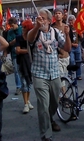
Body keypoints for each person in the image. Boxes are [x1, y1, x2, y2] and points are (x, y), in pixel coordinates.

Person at [27, 8, 71, 141]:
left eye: (43, 18)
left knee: (54, 103)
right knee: (43, 106)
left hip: (54, 74)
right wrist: (36, 27)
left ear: (50, 20)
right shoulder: (34, 33)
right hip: (39, 75)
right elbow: (29, 39)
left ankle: (50, 118)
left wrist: (68, 35)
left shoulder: (56, 33)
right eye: (39, 18)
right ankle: (46, 135)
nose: (41, 21)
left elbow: (67, 48)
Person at [15, 19, 34, 114]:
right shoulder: (19, 38)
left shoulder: (32, 38)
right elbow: (17, 50)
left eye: (25, 27)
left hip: (30, 63)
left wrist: (24, 50)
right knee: (24, 83)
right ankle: (25, 103)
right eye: (23, 27)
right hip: (21, 63)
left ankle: (28, 100)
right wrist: (28, 50)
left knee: (29, 83)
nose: (23, 29)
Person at [52, 8, 71, 82]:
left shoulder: (67, 27)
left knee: (65, 77)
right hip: (58, 58)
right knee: (60, 78)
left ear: (62, 15)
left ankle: (62, 92)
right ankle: (64, 94)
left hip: (66, 57)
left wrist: (67, 34)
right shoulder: (52, 28)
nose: (57, 15)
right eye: (56, 13)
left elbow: (70, 41)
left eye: (59, 13)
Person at [7, 17, 22, 95]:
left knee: (22, 70)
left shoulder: (21, 29)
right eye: (10, 26)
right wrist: (16, 39)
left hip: (22, 53)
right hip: (14, 54)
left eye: (12, 25)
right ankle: (18, 86)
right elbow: (9, 43)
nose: (11, 27)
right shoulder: (10, 32)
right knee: (16, 71)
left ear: (16, 23)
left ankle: (25, 84)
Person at [67, 15, 82, 79]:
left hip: (77, 46)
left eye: (72, 20)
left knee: (78, 61)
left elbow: (81, 37)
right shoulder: (67, 28)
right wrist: (72, 44)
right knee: (72, 61)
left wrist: (81, 33)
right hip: (71, 47)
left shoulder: (77, 27)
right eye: (69, 20)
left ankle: (78, 75)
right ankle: (70, 74)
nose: (71, 22)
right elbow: (66, 38)